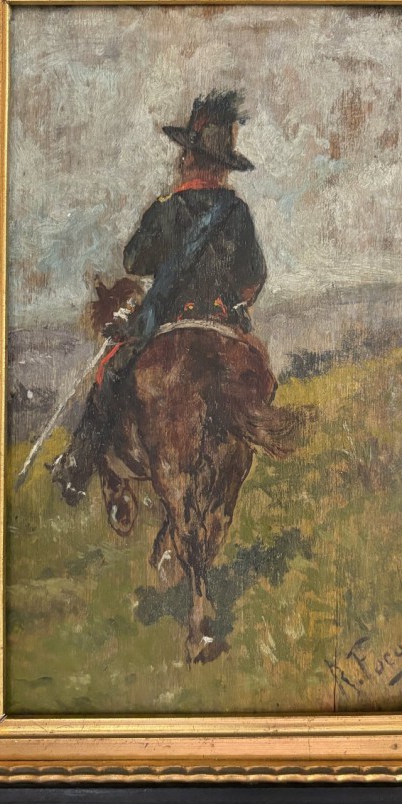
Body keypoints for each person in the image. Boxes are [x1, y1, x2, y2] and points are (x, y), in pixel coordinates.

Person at [50, 89, 267, 506]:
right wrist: (232, 307)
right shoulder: (237, 212)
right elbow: (254, 276)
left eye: (185, 154)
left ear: (189, 158)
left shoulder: (167, 207)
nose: (180, 160)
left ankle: (77, 467)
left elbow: (133, 260)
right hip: (222, 321)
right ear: (223, 167)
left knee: (111, 372)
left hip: (169, 319)